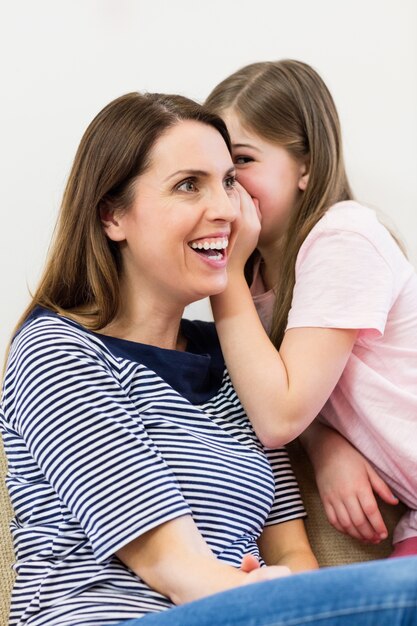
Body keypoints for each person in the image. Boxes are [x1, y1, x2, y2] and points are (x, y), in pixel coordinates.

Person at [1, 91, 417, 626]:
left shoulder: (232, 361)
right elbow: (178, 568)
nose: (226, 208)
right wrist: (270, 593)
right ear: (112, 217)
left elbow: (292, 552)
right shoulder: (57, 350)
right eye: (187, 185)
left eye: (227, 180)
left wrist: (285, 583)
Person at [205, 59, 417, 558]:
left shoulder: (342, 236)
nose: (224, 190)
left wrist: (225, 275)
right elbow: (275, 404)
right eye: (213, 174)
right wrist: (323, 445)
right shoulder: (256, 282)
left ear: (306, 166)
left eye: (241, 164)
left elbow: (279, 416)